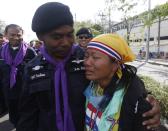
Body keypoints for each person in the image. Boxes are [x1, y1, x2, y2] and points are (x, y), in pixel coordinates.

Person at [17, 2, 160, 131]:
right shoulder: (32, 69)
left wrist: (147, 100)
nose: (66, 42)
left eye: (70, 35)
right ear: (40, 36)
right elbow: (27, 115)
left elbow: (123, 79)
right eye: (57, 37)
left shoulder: (86, 58)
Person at [83, 33, 158, 131]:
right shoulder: (91, 84)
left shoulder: (133, 98)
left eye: (95, 57)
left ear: (115, 64)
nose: (87, 62)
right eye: (86, 56)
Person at [0, 24, 37, 127]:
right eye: (12, 35)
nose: (16, 37)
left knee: (27, 118)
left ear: (22, 35)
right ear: (6, 35)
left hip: (26, 92)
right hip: (8, 92)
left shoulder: (30, 52)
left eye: (18, 35)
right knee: (14, 118)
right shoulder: (1, 52)